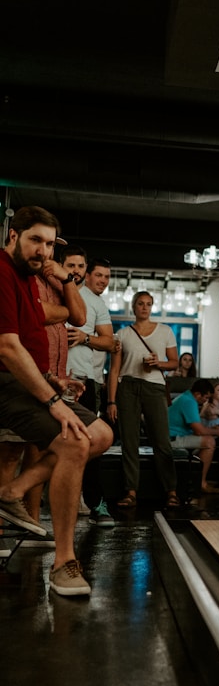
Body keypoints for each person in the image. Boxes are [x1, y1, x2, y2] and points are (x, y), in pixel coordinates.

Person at [0, 205, 113, 596]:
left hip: (28, 381)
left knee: (101, 435)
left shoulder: (28, 280)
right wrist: (52, 400)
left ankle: (12, 492)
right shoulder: (2, 272)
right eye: (36, 240)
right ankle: (64, 563)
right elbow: (7, 348)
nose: (43, 251)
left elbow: (37, 335)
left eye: (49, 244)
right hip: (4, 383)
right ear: (13, 236)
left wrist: (53, 379)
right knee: (74, 442)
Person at [107, 290, 180, 510]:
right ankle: (131, 491)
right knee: (129, 442)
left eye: (148, 304)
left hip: (154, 386)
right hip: (127, 387)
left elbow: (174, 362)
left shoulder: (165, 331)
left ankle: (171, 491)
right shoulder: (122, 334)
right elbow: (114, 370)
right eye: (140, 303)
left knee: (162, 441)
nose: (145, 307)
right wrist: (111, 401)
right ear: (133, 307)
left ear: (152, 307)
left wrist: (159, 363)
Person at [63, 253, 117, 526]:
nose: (103, 281)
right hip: (53, 377)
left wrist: (85, 337)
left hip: (85, 380)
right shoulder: (54, 291)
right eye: (99, 275)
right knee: (45, 442)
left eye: (107, 277)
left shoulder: (96, 302)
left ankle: (96, 503)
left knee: (91, 440)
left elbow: (110, 343)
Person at [168, 378, 219, 494]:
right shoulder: (189, 401)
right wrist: (217, 432)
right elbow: (199, 431)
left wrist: (212, 430)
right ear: (198, 394)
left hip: (176, 436)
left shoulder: (186, 397)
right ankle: (200, 483)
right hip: (172, 439)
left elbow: (195, 428)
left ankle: (194, 480)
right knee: (209, 442)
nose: (206, 401)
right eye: (206, 397)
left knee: (208, 439)